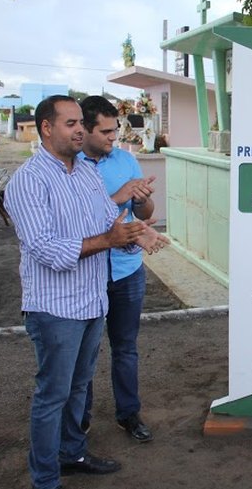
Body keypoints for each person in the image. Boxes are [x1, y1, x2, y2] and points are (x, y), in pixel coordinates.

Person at [4, 95, 164, 489]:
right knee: (52, 395)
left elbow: (107, 221)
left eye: (80, 123)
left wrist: (135, 237)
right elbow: (46, 248)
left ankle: (72, 453)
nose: (78, 130)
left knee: (78, 388)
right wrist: (109, 238)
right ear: (46, 128)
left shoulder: (86, 174)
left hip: (92, 299)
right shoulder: (28, 180)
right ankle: (45, 479)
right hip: (56, 307)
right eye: (70, 123)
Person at [79, 95, 165, 442]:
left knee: (125, 348)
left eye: (115, 131)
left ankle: (128, 414)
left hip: (127, 270)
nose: (113, 138)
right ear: (83, 129)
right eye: (105, 132)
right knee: (83, 353)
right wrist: (118, 195)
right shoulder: (71, 167)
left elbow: (142, 214)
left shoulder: (125, 161)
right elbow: (78, 219)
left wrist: (142, 200)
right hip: (87, 272)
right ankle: (77, 421)